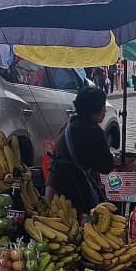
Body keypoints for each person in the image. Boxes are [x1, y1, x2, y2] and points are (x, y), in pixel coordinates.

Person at [46, 87, 115, 215]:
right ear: (95, 109)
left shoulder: (69, 125)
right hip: (72, 193)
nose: (105, 111)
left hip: (53, 187)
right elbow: (106, 166)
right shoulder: (93, 131)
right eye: (103, 107)